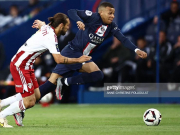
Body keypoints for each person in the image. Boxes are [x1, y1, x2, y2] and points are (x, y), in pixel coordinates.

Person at [13, 2, 147, 126]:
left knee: (94, 76)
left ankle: (62, 83)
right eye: (109, 13)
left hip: (82, 57)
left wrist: (136, 49)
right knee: (51, 84)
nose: (112, 16)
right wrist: (78, 20)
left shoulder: (111, 27)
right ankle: (21, 106)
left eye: (113, 13)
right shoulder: (92, 17)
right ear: (100, 13)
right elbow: (72, 11)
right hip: (71, 52)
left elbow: (123, 38)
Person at [0, 13, 91, 128]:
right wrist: (78, 60)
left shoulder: (48, 28)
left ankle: (4, 103)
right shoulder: (51, 37)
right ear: (61, 25)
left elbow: (44, 26)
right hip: (20, 65)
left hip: (27, 65)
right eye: (67, 25)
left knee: (37, 95)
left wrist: (41, 24)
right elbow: (59, 59)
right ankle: (2, 115)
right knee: (29, 101)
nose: (68, 28)